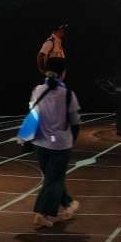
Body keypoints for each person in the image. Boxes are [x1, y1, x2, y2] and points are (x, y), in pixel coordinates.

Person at [29, 57, 81, 229]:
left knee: (52, 178)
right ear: (63, 73)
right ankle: (40, 214)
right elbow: (75, 123)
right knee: (54, 180)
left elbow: (33, 114)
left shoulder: (37, 90)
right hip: (60, 145)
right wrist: (71, 140)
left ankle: (69, 204)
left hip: (40, 144)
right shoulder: (68, 94)